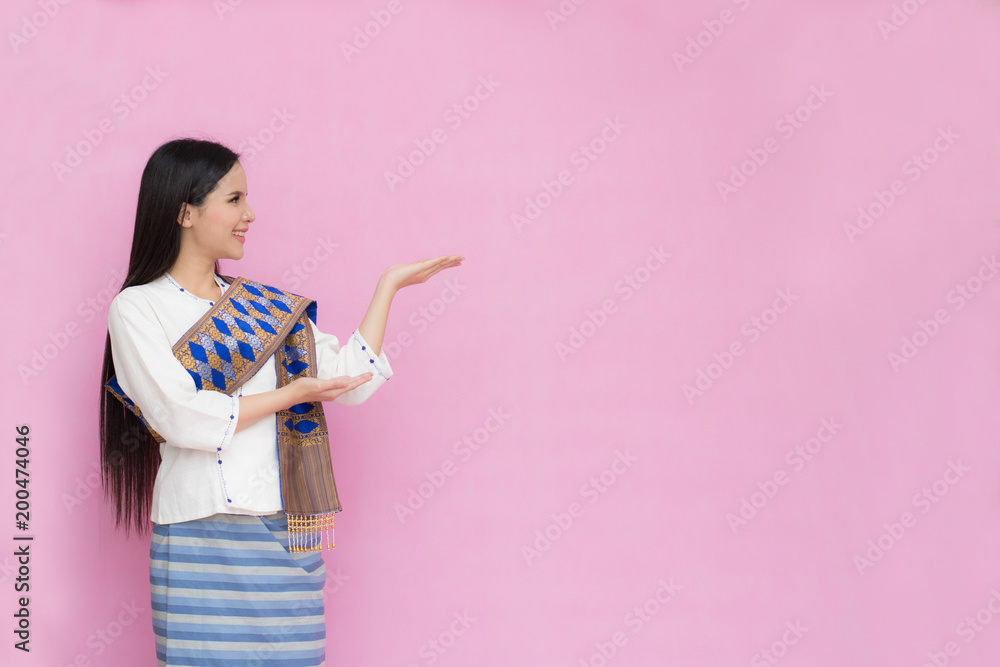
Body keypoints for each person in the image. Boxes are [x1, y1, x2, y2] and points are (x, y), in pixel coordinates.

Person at [97, 137, 463, 666]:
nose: (250, 214)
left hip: (285, 528)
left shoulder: (267, 309)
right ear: (185, 212)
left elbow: (352, 380)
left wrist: (389, 286)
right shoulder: (138, 307)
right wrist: (288, 395)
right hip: (200, 529)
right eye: (234, 199)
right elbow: (181, 417)